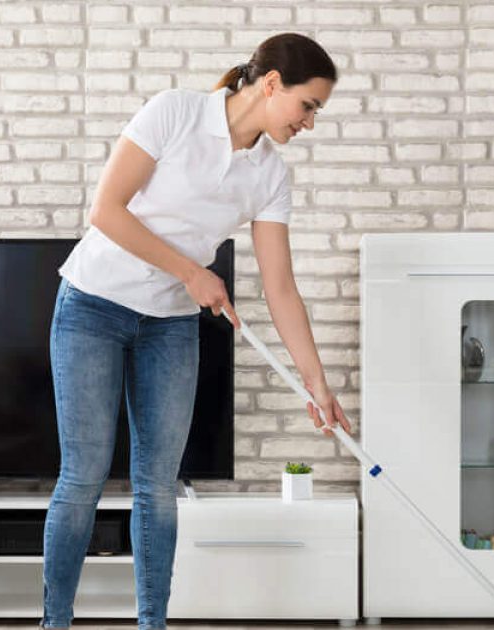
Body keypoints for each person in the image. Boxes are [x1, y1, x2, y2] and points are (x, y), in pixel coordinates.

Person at [42, 32, 353, 629]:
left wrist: (317, 384)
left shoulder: (270, 176)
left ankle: (151, 624)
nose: (311, 122)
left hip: (170, 326)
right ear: (270, 85)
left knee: (157, 484)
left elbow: (282, 288)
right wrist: (191, 271)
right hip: (92, 306)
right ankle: (55, 623)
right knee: (83, 475)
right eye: (309, 105)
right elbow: (106, 210)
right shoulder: (175, 112)